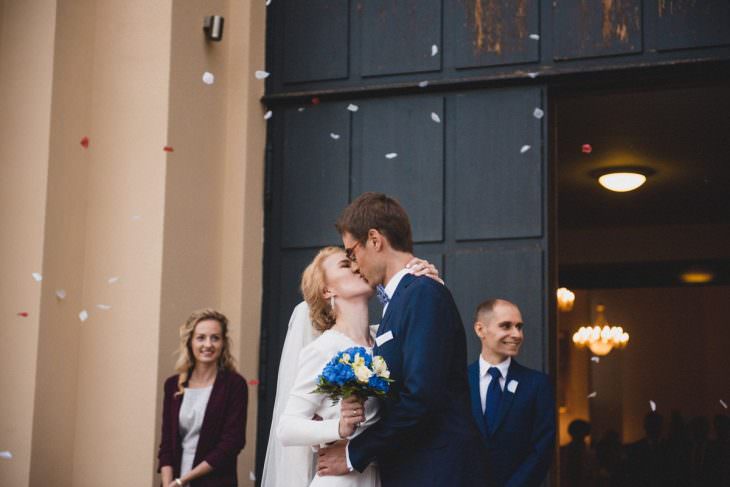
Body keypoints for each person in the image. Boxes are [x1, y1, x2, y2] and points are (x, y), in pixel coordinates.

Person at [318, 192, 488, 487]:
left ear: (374, 239)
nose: (354, 264)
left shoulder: (423, 293)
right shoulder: (398, 302)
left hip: (436, 471)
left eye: (351, 252)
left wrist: (353, 453)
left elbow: (420, 399)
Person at [263, 249, 441, 487]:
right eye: (346, 265)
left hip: (383, 474)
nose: (357, 267)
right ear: (328, 290)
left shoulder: (385, 337)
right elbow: (286, 428)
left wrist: (429, 282)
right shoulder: (324, 348)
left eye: (355, 261)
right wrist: (338, 427)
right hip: (341, 480)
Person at [467, 299, 555, 487]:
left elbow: (542, 448)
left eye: (519, 327)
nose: (516, 334)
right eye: (506, 326)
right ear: (480, 330)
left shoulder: (537, 384)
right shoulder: (458, 382)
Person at [157, 309, 248, 487]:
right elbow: (166, 443)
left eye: (215, 338)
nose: (208, 344)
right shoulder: (173, 385)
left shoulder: (235, 385)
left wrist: (183, 480)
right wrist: (168, 483)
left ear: (223, 343)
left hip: (215, 482)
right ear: (190, 342)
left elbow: (232, 443)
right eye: (201, 338)